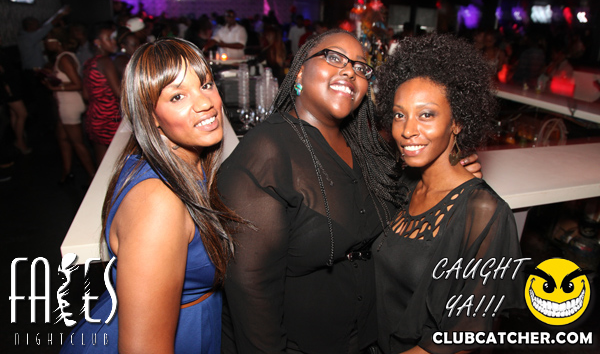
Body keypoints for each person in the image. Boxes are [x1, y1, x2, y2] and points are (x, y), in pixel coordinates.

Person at [218, 29, 481, 353]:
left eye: (360, 67)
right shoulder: (266, 154)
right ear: (299, 71)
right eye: (334, 58)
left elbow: (399, 202)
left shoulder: (365, 146)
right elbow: (251, 290)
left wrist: (447, 174)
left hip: (371, 340)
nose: (349, 71)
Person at [60, 37, 243, 354]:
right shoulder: (159, 203)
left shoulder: (181, 163)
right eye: (177, 96)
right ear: (151, 116)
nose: (205, 102)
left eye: (206, 84)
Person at [374, 33, 524, 354]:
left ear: (457, 122)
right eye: (399, 114)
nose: (407, 130)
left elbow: (464, 336)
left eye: (426, 114)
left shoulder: (484, 212)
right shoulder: (404, 184)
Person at [43, 27, 96, 183]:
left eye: (47, 40)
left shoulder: (64, 58)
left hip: (70, 104)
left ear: (57, 42)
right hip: (66, 104)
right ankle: (67, 173)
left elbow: (77, 84)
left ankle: (93, 177)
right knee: (62, 137)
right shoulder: (62, 57)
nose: (45, 43)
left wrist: (55, 88)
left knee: (77, 143)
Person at [83, 22, 121, 165]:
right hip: (110, 117)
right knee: (118, 162)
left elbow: (86, 95)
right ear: (97, 42)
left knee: (103, 162)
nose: (113, 42)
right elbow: (119, 93)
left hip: (94, 116)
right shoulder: (105, 61)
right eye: (109, 39)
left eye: (113, 38)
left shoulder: (89, 63)